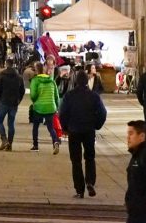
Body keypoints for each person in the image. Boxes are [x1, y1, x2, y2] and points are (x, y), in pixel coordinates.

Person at [59, 70, 107, 198]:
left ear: (75, 81)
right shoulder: (94, 96)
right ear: (87, 82)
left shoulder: (69, 96)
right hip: (89, 130)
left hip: (74, 130)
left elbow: (62, 113)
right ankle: (90, 181)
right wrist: (97, 125)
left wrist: (65, 127)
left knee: (76, 160)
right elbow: (103, 113)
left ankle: (79, 189)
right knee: (90, 157)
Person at [28, 62, 60, 153]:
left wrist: (35, 101)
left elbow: (33, 95)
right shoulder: (52, 80)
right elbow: (56, 96)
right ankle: (55, 141)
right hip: (51, 107)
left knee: (36, 126)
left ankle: (35, 145)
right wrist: (56, 107)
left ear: (36, 70)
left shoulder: (35, 80)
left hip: (39, 107)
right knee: (51, 127)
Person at [0, 58, 25, 151]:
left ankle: (4, 139)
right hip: (14, 103)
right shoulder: (19, 77)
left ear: (6, 64)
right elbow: (22, 90)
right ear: (14, 65)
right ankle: (10, 144)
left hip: (3, 101)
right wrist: (19, 100)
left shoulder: (2, 75)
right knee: (11, 123)